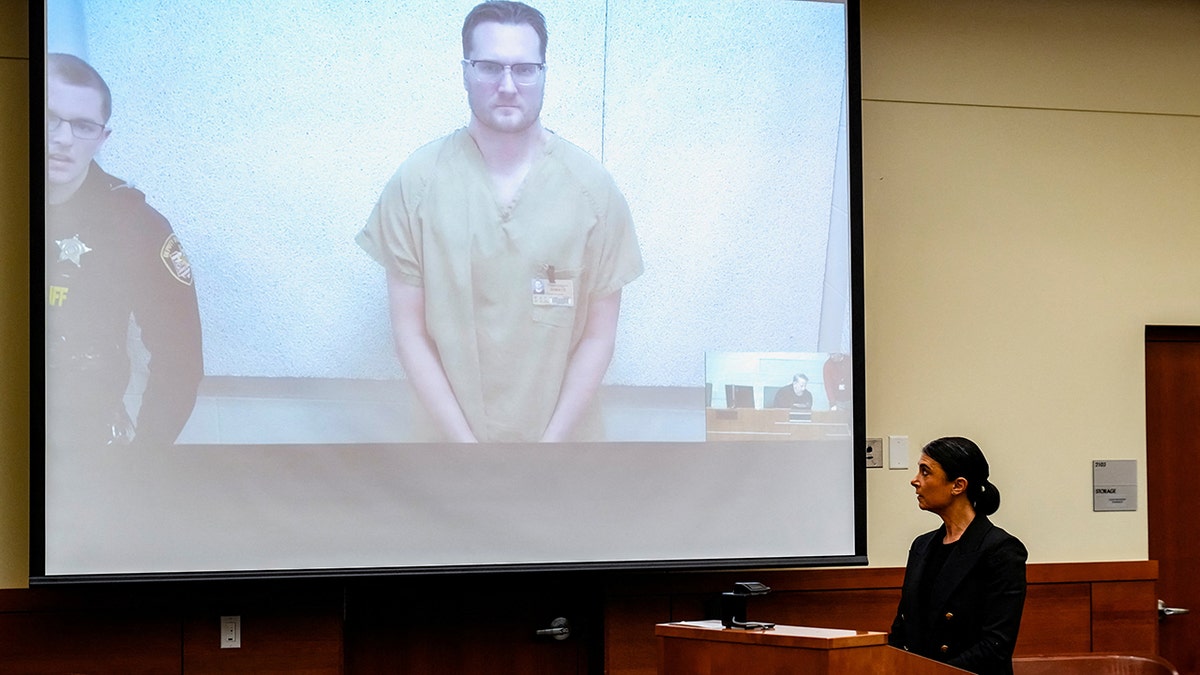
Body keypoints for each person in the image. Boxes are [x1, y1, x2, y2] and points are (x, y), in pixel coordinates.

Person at [356, 1, 643, 443]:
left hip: (563, 454)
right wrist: (468, 451)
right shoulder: (416, 186)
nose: (507, 85)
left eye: (525, 68)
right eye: (489, 66)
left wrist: (549, 450)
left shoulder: (593, 193)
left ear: (544, 72)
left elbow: (598, 338)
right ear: (465, 71)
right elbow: (409, 333)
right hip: (446, 450)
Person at [45, 53, 204, 451]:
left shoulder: (136, 227)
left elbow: (180, 360)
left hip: (84, 446)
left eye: (83, 126)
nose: (62, 138)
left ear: (103, 138)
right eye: (48, 117)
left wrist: (143, 464)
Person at [889, 436, 1027, 675]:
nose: (915, 481)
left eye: (925, 472)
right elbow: (902, 629)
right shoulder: (922, 546)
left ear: (958, 486)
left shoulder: (1001, 550)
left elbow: (995, 646)